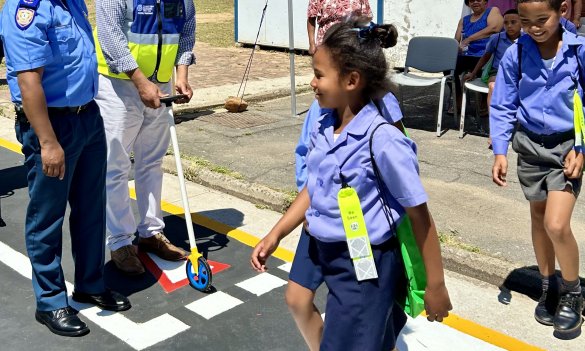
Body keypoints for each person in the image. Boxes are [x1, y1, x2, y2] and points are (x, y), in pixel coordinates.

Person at [252, 19, 452, 350]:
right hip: (319, 240)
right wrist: (277, 233)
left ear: (352, 80)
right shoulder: (324, 122)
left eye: (319, 74)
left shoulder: (383, 139)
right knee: (298, 299)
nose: (312, 83)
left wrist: (436, 284)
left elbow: (420, 216)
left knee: (359, 337)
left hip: (361, 259)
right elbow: (315, 186)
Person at [0, 0, 131, 337]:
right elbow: (29, 83)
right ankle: (50, 301)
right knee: (47, 216)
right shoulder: (26, 10)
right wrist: (47, 142)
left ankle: (89, 284)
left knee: (91, 209)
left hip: (87, 117)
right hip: (52, 125)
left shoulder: (72, 3)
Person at [491, 0, 584, 336]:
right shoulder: (515, 54)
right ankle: (548, 286)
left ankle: (572, 293)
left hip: (566, 150)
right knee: (537, 218)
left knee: (556, 224)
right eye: (526, 20)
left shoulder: (578, 52)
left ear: (562, 10)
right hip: (529, 148)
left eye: (542, 19)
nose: (534, 27)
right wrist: (499, 150)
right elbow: (503, 104)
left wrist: (581, 148)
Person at [94, 0, 196, 275]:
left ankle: (151, 232)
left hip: (159, 84)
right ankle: (120, 241)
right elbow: (110, 36)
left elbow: (186, 30)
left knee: (151, 162)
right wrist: (140, 80)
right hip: (119, 86)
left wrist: (182, 73)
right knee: (116, 167)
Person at [463, 9, 522, 146]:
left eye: (513, 22)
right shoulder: (497, 38)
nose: (509, 26)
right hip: (497, 72)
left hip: (520, 73)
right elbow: (485, 57)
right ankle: (494, 130)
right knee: (493, 87)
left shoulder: (527, 39)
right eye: (506, 23)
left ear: (521, 23)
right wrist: (473, 73)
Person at [451, 0, 503, 113]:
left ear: (485, 2)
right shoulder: (464, 20)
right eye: (471, 0)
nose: (475, 2)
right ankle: (457, 97)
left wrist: (469, 38)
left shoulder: (492, 11)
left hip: (487, 55)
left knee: (483, 67)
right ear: (468, 3)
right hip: (469, 55)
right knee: (449, 65)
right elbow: (456, 40)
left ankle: (484, 99)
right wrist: (457, 47)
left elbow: (495, 28)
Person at [307, 0, 372, 55]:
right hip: (327, 39)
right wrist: (312, 44)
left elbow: (367, 16)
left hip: (352, 40)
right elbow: (311, 17)